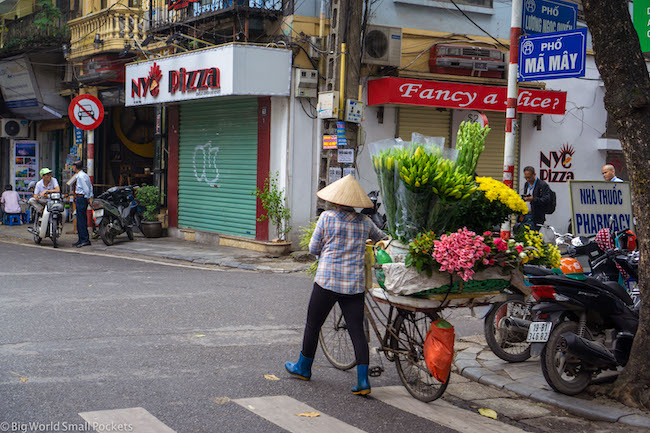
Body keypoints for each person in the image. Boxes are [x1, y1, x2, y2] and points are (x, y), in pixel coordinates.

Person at [284, 175, 386, 396]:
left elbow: (313, 248)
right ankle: (362, 381)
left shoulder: (327, 218)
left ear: (336, 200)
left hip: (327, 281)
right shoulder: (365, 222)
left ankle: (303, 367)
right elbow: (381, 239)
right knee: (357, 330)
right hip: (353, 285)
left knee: (313, 324)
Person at [71, 161, 93, 248]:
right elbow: (90, 187)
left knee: (81, 220)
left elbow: (86, 189)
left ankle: (84, 239)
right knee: (80, 219)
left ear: (76, 167)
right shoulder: (84, 175)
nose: (72, 168)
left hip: (81, 198)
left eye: (73, 166)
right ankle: (81, 239)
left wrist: (88, 198)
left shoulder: (80, 176)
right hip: (81, 198)